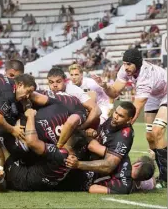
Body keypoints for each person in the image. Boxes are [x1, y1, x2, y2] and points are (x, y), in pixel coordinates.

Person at [92, 48, 167, 188]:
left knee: (157, 131)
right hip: (153, 95)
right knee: (150, 136)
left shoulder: (145, 76)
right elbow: (113, 93)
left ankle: (165, 177)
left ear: (137, 64)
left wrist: (118, 132)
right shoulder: (124, 69)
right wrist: (105, 86)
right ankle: (156, 170)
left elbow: (134, 110)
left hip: (166, 93)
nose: (125, 67)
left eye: (129, 64)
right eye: (124, 63)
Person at [65, 102, 136, 194]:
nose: (115, 117)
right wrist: (93, 133)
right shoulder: (112, 120)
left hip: (97, 169)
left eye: (121, 116)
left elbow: (108, 165)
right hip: (88, 155)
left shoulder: (124, 136)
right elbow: (98, 136)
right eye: (116, 112)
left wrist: (78, 164)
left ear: (129, 120)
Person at [4, 108, 71, 191]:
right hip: (38, 183)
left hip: (20, 178)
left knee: (4, 148)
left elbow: (32, 142)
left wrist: (30, 116)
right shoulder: (74, 159)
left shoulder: (61, 154)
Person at [47, 68, 101, 132]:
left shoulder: (74, 91)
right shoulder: (48, 92)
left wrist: (83, 126)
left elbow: (97, 110)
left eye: (58, 81)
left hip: (77, 126)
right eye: (51, 82)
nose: (55, 85)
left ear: (65, 80)